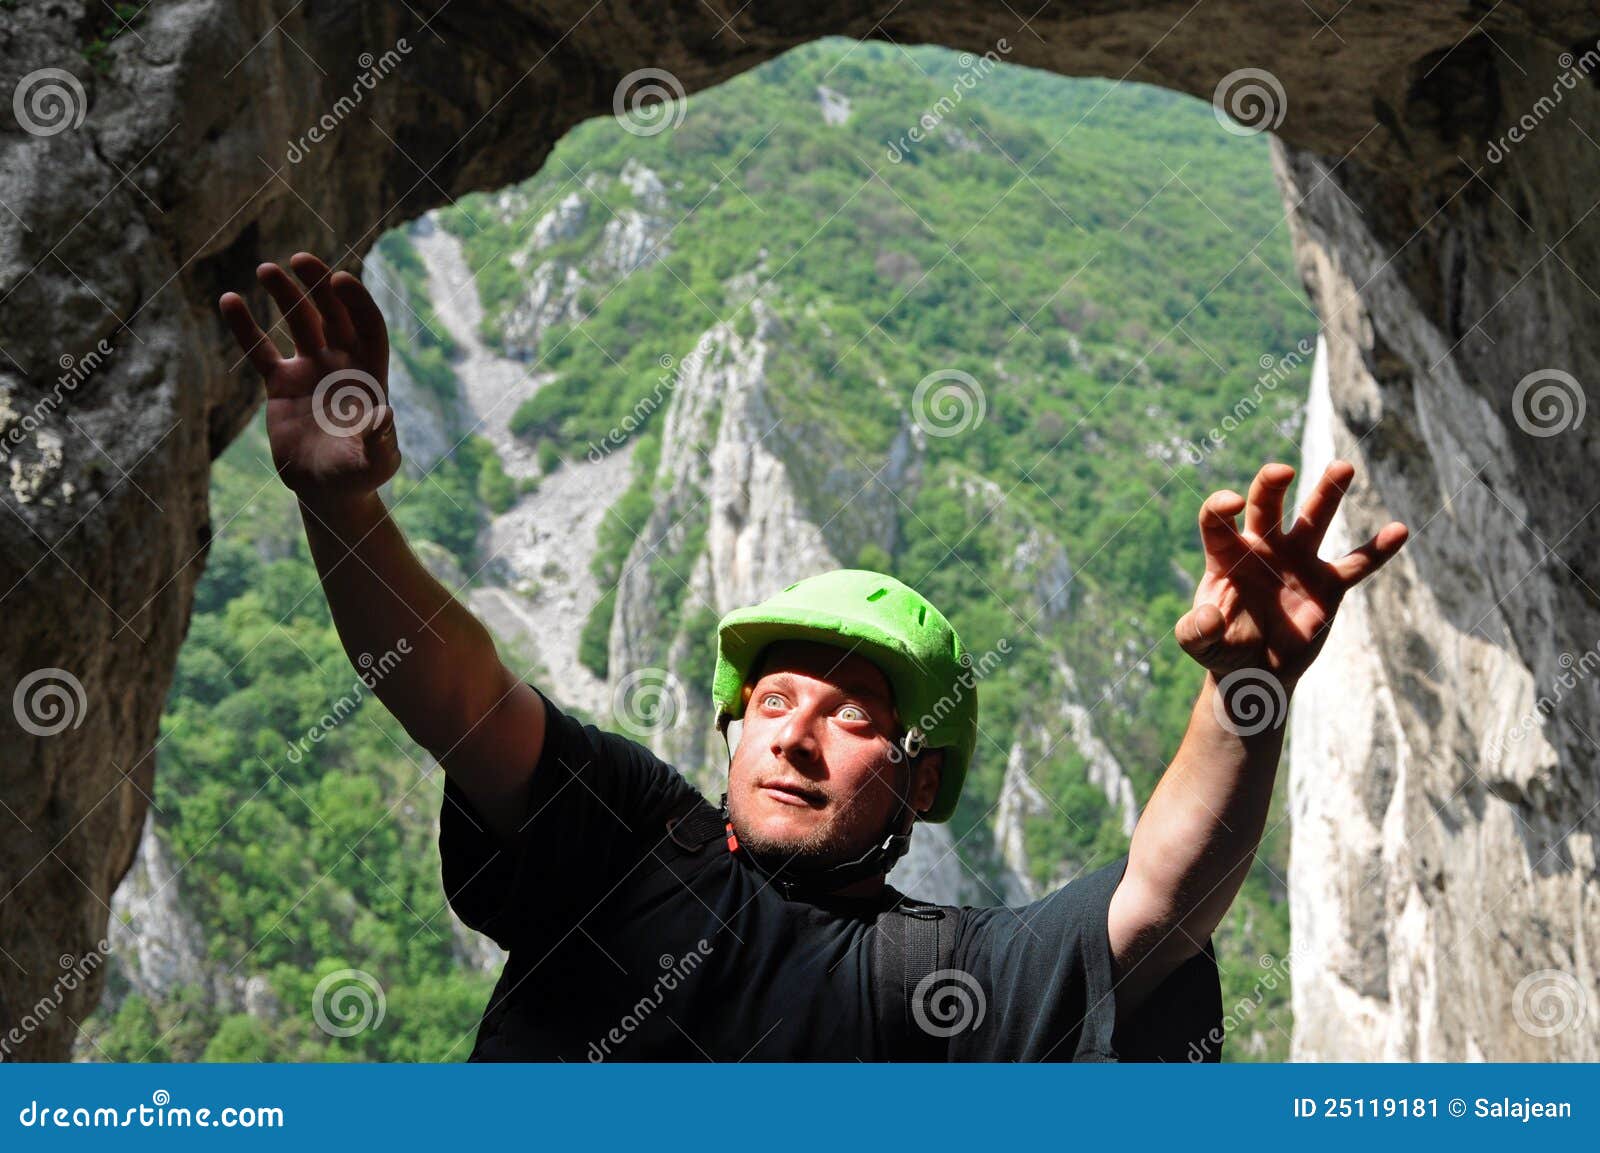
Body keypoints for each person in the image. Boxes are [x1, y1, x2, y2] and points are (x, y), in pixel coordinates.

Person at [219, 251, 1411, 1061]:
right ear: (730, 732)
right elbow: (460, 697)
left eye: (849, 713)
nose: (790, 729)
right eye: (773, 698)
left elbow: (1161, 901)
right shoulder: (627, 845)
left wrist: (1242, 693)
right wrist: (345, 510)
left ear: (922, 779)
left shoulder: (943, 982)